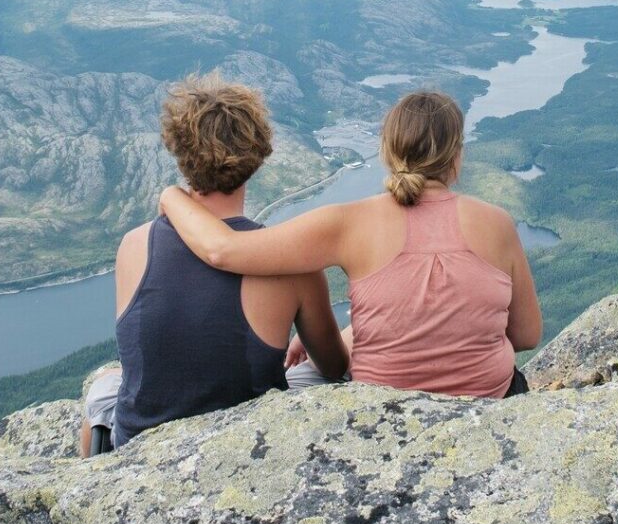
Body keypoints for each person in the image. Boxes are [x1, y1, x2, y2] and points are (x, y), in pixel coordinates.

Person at [160, 91, 542, 400]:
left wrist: (171, 197)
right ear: (456, 157)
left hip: (383, 412)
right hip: (488, 405)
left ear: (387, 153)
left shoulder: (347, 222)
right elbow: (526, 335)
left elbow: (222, 251)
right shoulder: (497, 223)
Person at [80, 74, 348, 456]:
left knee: (105, 386)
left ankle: (92, 477)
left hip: (138, 449)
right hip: (244, 450)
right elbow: (335, 367)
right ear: (256, 155)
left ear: (179, 150)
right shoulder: (291, 263)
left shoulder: (134, 245)